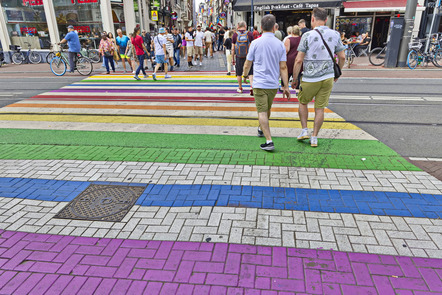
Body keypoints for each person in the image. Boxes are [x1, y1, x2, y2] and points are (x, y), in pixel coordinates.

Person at [292, 7, 346, 147]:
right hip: (328, 77)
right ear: (326, 19)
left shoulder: (307, 36)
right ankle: (314, 137)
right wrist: (337, 72)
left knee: (303, 102)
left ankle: (304, 130)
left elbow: (299, 60)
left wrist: (295, 78)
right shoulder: (335, 34)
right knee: (320, 108)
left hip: (310, 78)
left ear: (313, 19)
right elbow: (342, 57)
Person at [243, 14, 290, 151]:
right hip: (273, 84)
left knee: (262, 111)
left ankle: (269, 141)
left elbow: (247, 63)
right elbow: (283, 67)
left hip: (259, 83)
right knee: (266, 109)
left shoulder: (255, 43)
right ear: (275, 27)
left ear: (261, 27)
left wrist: (245, 75)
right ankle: (261, 128)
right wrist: (285, 86)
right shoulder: (280, 45)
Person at [232, 21, 254, 94]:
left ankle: (240, 88)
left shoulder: (235, 35)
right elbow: (252, 46)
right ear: (245, 26)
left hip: (239, 56)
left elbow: (233, 48)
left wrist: (233, 58)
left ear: (238, 26)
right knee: (250, 72)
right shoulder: (249, 34)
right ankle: (251, 86)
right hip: (248, 56)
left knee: (239, 73)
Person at [282, 25, 301, 90]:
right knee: (298, 75)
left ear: (292, 31)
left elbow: (286, 51)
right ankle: (297, 90)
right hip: (299, 59)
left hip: (290, 60)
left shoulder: (289, 40)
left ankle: (284, 88)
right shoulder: (302, 39)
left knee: (286, 74)